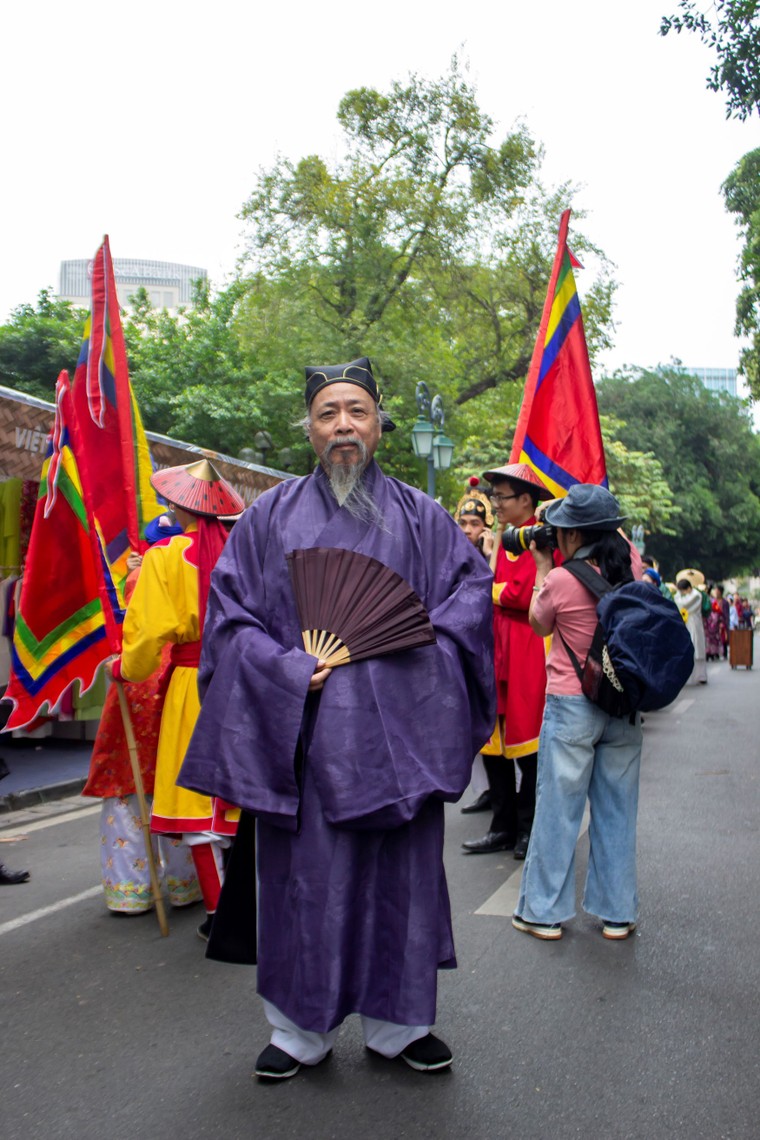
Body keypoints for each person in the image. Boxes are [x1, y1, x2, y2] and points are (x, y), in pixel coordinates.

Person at [179, 356, 495, 1080]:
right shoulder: (267, 520)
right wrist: (291, 670)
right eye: (328, 413)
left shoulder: (426, 521)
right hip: (306, 746)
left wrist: (400, 663)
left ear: (380, 423)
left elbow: (466, 611)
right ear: (311, 431)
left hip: (399, 742)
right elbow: (230, 625)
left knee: (401, 886)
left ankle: (400, 1026)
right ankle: (298, 1033)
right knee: (305, 889)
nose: (344, 425)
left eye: (357, 410)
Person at [111, 459, 245, 939]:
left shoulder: (165, 558)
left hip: (193, 683)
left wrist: (125, 669)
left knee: (198, 800)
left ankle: (220, 914)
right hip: (245, 683)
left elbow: (146, 634)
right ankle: (250, 905)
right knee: (241, 796)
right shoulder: (241, 552)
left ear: (175, 505)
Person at [512, 484, 644, 941]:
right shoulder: (635, 569)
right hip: (623, 705)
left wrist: (544, 564)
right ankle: (617, 914)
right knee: (616, 811)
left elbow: (537, 621)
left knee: (558, 810)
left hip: (573, 704)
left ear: (572, 534)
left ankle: (543, 913)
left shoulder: (563, 579)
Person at [83, 522, 202, 915]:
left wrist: (123, 667)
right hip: (181, 679)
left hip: (139, 676)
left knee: (128, 785)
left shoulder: (145, 570)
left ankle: (132, 890)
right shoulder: (198, 559)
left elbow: (140, 633)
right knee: (176, 783)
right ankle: (186, 884)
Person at [462, 462, 554, 861]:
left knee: (529, 746)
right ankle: (502, 826)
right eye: (494, 495)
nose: (495, 503)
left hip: (527, 650)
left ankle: (528, 827)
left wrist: (489, 588)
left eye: (501, 496)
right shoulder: (502, 537)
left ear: (526, 500)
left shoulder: (541, 538)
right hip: (496, 648)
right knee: (493, 742)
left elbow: (522, 597)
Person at [454, 483, 495, 815]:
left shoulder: (494, 558)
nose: (468, 530)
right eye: (463, 523)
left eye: (475, 524)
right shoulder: (451, 554)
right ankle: (485, 790)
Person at [675, 577, 708, 684]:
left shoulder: (695, 595)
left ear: (688, 588)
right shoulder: (689, 595)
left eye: (682, 590)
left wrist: (678, 595)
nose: (682, 593)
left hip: (695, 623)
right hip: (687, 623)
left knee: (698, 649)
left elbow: (682, 604)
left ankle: (701, 676)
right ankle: (690, 676)